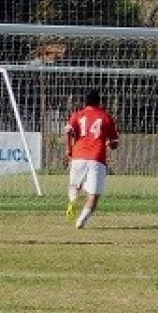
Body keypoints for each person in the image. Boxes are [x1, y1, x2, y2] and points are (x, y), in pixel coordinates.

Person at [64, 89, 119, 229]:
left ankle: (73, 200)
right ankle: (80, 221)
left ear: (85, 102)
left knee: (75, 186)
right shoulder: (106, 117)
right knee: (93, 195)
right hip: (97, 158)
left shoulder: (77, 115)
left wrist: (69, 151)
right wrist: (109, 143)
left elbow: (68, 132)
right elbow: (114, 144)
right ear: (99, 101)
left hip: (78, 156)